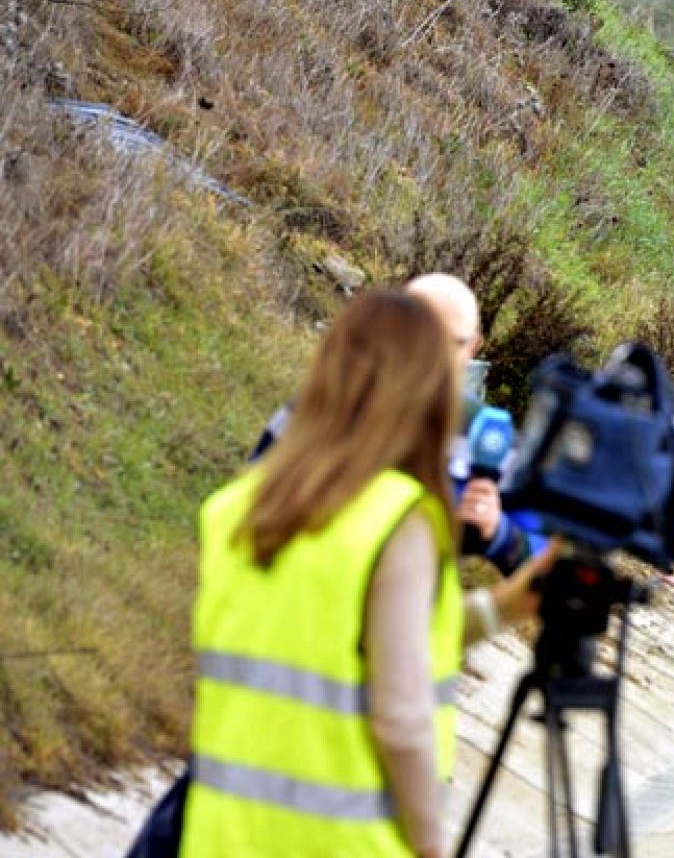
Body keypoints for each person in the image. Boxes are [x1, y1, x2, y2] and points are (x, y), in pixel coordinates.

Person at [182, 290, 557, 857]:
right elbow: (402, 719)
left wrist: (499, 597)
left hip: (221, 832)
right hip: (341, 838)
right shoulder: (396, 520)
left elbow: (333, 641)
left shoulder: (234, 508)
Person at [249, 273, 539, 575]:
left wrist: (497, 534)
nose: (432, 355)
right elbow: (249, 503)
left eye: (450, 342)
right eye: (418, 334)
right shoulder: (324, 409)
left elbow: (546, 567)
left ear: (474, 347)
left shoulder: (493, 441)